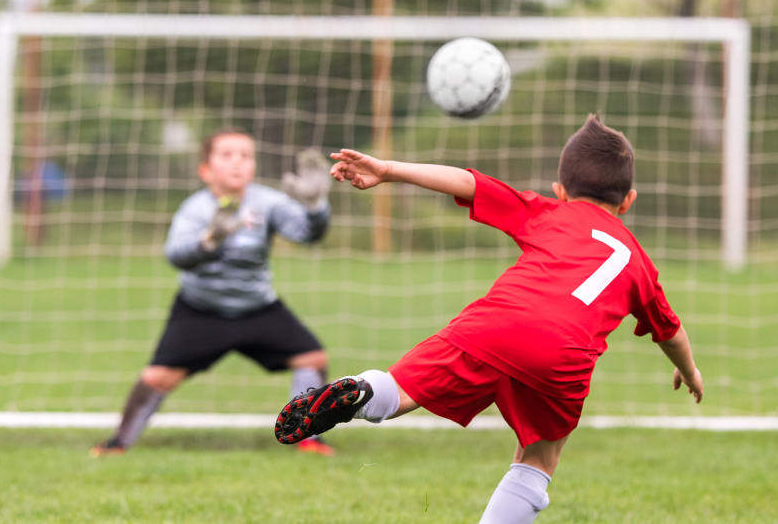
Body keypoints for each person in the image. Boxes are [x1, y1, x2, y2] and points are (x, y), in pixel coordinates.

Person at [275, 115, 704, 523]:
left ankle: (363, 392)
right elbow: (671, 333)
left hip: (495, 325)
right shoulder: (638, 263)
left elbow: (469, 182)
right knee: (538, 458)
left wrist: (388, 169)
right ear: (628, 201)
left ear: (560, 190)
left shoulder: (547, 211)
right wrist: (689, 372)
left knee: (402, 389)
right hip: (564, 357)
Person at [92, 128, 337, 457]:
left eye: (245, 155)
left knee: (313, 359)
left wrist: (316, 206)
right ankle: (118, 443)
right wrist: (209, 241)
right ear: (205, 170)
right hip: (201, 310)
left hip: (258, 308)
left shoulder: (267, 202)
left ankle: (308, 438)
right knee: (157, 377)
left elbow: (308, 234)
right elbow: (175, 256)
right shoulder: (194, 209)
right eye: (227, 155)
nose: (237, 162)